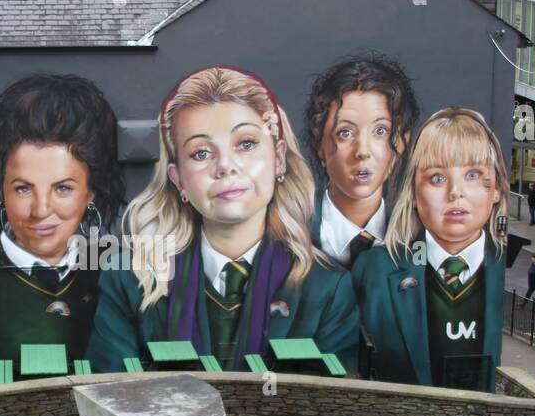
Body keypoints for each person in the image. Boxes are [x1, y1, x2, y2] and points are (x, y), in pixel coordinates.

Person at [86, 66, 361, 374]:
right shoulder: (130, 279)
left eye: (245, 144)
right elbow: (110, 399)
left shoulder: (327, 287)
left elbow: (332, 410)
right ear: (178, 179)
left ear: (279, 158)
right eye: (201, 153)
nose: (225, 166)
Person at [0, 74, 125, 382]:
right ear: (2, 189)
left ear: (90, 192)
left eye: (63, 189)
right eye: (23, 189)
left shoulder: (116, 270)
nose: (41, 211)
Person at [351, 108, 507, 391]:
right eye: (437, 178)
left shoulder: (505, 265)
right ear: (413, 192)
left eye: (473, 174)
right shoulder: (374, 269)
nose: (455, 192)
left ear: (496, 188)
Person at [303, 55, 420, 270]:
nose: (363, 151)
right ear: (320, 144)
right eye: (345, 133)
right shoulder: (290, 234)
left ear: (402, 142)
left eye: (380, 131)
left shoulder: (418, 239)